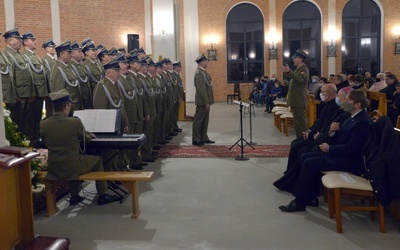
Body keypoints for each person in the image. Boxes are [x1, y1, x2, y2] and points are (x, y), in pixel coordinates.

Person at [279, 90, 372, 212]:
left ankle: (299, 202)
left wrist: (328, 148)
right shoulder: (352, 117)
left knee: (309, 162)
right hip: (341, 155)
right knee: (305, 156)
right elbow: (342, 137)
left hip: (350, 161)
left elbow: (352, 148)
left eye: (348, 100)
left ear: (357, 104)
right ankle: (311, 197)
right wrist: (332, 131)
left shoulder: (362, 122)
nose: (344, 102)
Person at [40, 88, 120, 206]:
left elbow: (45, 140)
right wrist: (89, 135)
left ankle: (74, 196)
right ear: (66, 107)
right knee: (97, 160)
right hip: (72, 166)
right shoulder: (74, 122)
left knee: (72, 158)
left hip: (54, 166)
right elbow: (86, 138)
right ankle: (102, 195)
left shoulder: (44, 123)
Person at [273, 84, 350, 193]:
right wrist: (309, 130)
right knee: (296, 144)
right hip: (321, 136)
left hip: (326, 142)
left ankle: (295, 181)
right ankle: (290, 174)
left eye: (341, 98)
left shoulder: (338, 110)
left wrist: (318, 136)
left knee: (302, 150)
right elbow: (320, 122)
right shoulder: (328, 106)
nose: (339, 99)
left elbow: (329, 128)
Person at [3, 28, 33, 136]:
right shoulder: (6, 54)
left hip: (24, 93)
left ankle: (24, 141)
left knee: (23, 121)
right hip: (17, 95)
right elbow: (11, 77)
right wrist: (15, 94)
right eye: (18, 39)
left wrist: (31, 92)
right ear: (10, 41)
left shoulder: (18, 54)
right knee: (16, 122)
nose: (20, 41)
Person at [282, 49, 310, 137]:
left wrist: (289, 71)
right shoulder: (298, 69)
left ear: (300, 59)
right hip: (295, 100)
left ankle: (303, 143)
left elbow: (299, 79)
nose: (293, 59)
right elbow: (296, 80)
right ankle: (300, 142)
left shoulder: (304, 69)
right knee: (298, 125)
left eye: (295, 58)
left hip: (298, 101)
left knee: (301, 125)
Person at [50, 40, 82, 115]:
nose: (71, 55)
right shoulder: (57, 69)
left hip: (74, 107)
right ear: (61, 54)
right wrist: (62, 112)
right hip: (67, 110)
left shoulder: (67, 67)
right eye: (69, 53)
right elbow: (58, 93)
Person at [192, 53, 214, 146]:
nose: (207, 63)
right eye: (206, 61)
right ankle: (196, 139)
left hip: (205, 101)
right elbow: (201, 89)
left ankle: (203, 137)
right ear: (201, 62)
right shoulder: (199, 72)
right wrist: (206, 101)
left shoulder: (203, 72)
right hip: (202, 101)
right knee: (198, 120)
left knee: (205, 120)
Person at [42, 39, 57, 117]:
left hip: (54, 89)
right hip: (50, 91)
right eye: (52, 47)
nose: (54, 49)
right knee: (50, 112)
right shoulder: (45, 60)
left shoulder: (53, 60)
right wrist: (47, 91)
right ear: (47, 49)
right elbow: (45, 77)